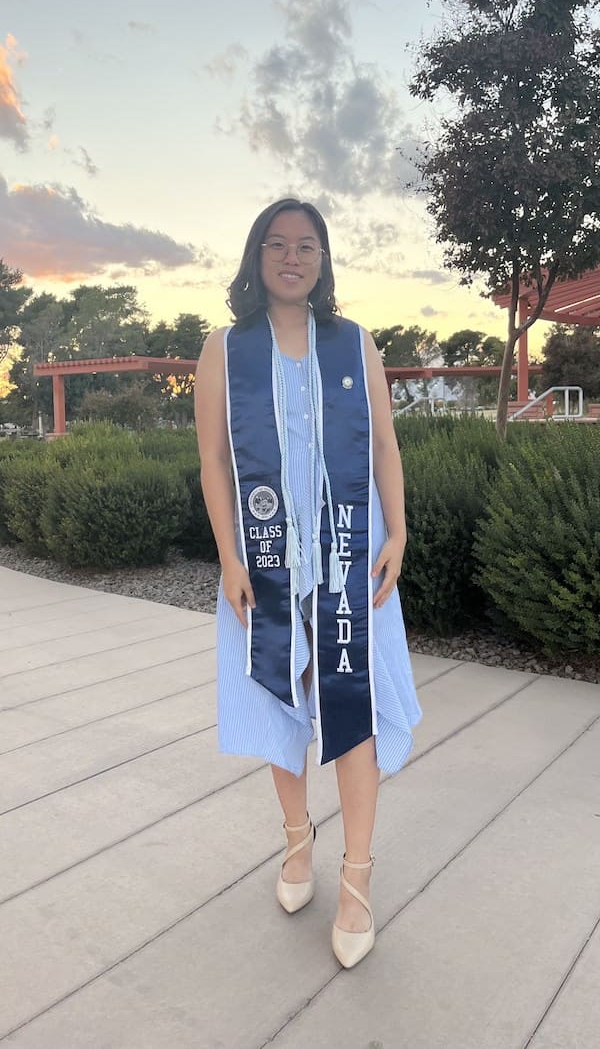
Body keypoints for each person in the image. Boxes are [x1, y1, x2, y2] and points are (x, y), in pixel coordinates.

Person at [194, 198, 422, 969]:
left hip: (350, 565)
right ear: (257, 256)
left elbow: (385, 443)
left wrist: (399, 529)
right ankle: (299, 840)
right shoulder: (224, 350)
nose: (293, 257)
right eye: (278, 243)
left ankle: (357, 873)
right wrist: (229, 557)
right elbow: (215, 466)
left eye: (308, 246)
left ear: (323, 262)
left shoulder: (354, 344)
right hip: (262, 570)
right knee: (282, 707)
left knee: (354, 709)